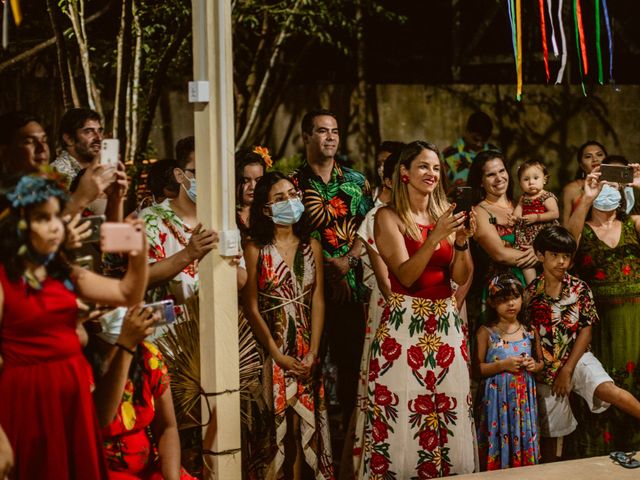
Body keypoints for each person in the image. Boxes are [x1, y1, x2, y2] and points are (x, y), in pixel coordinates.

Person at [0, 173, 149, 479]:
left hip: (72, 391)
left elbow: (126, 293)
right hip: (28, 394)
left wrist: (139, 251)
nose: (56, 226)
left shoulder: (61, 270)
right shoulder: (4, 277)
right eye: (43, 218)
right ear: (19, 225)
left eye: (57, 216)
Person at [361, 140, 476, 478]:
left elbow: (460, 275)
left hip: (444, 322)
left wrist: (461, 241)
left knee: (449, 407)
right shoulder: (387, 217)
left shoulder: (443, 214)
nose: (432, 173)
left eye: (437, 168)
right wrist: (434, 237)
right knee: (404, 410)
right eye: (424, 166)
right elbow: (407, 276)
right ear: (404, 172)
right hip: (405, 323)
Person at [242, 172, 334, 479]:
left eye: (293, 194)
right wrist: (276, 353)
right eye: (280, 198)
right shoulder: (256, 247)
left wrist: (314, 352)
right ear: (266, 209)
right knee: (272, 429)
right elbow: (251, 306)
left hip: (306, 347)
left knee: (299, 428)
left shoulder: (312, 246)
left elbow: (318, 299)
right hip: (269, 348)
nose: (290, 201)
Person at [525, 225, 640, 462]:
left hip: (576, 358)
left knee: (609, 390)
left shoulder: (579, 288)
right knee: (551, 433)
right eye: (554, 255)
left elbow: (586, 331)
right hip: (546, 367)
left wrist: (567, 370)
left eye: (566, 256)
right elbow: (532, 334)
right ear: (540, 255)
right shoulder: (531, 293)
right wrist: (544, 369)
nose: (561, 262)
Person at [290, 109, 374, 430]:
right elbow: (291, 236)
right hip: (309, 291)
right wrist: (325, 264)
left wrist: (348, 260)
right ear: (306, 137)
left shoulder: (357, 182)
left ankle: (350, 439)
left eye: (334, 131)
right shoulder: (293, 185)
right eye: (322, 131)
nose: (330, 137)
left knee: (352, 364)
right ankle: (314, 436)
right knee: (311, 364)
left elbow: (369, 228)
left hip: (352, 288)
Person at [565, 165, 640, 456]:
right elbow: (567, 247)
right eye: (602, 184)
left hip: (635, 320)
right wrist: (586, 196)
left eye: (613, 185)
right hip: (599, 321)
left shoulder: (632, 222)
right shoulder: (582, 227)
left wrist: (638, 185)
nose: (608, 190)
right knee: (605, 385)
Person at [88, 304, 195, 480]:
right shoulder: (80, 366)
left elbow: (166, 427)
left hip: (149, 469)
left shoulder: (147, 357)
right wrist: (125, 346)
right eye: (109, 306)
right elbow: (99, 418)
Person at [139, 140, 218, 310]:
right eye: (198, 172)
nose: (207, 179)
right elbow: (142, 278)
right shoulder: (151, 218)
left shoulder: (221, 219)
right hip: (168, 330)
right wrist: (189, 254)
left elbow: (242, 281)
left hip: (216, 326)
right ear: (179, 175)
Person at [475, 273, 542, 470]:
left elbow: (541, 363)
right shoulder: (486, 332)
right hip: (497, 402)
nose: (511, 304)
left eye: (515, 297)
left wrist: (533, 365)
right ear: (493, 303)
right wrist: (502, 365)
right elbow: (476, 369)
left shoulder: (530, 330)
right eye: (503, 300)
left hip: (523, 402)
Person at [467, 151, 537, 326]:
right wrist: (538, 256)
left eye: (502, 171)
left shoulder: (522, 204)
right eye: (491, 174)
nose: (499, 178)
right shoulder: (479, 211)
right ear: (480, 182)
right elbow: (500, 254)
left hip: (535, 287)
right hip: (502, 295)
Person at [511, 159, 559, 284]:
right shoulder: (523, 197)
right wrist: (514, 218)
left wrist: (536, 217)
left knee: (549, 260)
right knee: (527, 263)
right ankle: (532, 286)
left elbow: (555, 213)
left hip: (544, 233)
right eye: (526, 179)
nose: (531, 182)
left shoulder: (546, 196)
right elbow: (518, 210)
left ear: (544, 179)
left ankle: (551, 283)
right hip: (527, 235)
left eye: (535, 178)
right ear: (520, 183)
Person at [443, 111, 497, 189]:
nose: (479, 144)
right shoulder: (449, 155)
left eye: (483, 140)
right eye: (475, 139)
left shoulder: (494, 153)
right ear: (467, 131)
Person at [51, 108, 104, 187]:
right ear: (69, 139)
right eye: (89, 131)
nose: (99, 138)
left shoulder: (100, 167)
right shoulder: (58, 174)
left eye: (99, 131)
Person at [561, 140, 607, 226]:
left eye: (599, 155)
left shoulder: (615, 185)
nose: (595, 159)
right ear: (581, 165)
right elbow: (564, 225)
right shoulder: (572, 189)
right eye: (588, 156)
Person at [235, 146, 269, 242]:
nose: (253, 187)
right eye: (246, 181)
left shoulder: (271, 212)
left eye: (258, 180)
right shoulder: (226, 215)